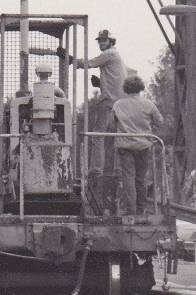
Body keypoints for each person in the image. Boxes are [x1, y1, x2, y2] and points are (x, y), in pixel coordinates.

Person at [69, 29, 128, 176]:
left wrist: (69, 59)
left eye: (104, 40)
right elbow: (115, 80)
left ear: (110, 42)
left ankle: (96, 170)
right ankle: (119, 170)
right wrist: (101, 83)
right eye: (100, 41)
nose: (101, 43)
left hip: (109, 100)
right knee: (119, 135)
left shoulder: (108, 54)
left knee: (97, 135)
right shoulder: (115, 55)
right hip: (120, 101)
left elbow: (88, 63)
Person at [112, 75, 163, 216]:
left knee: (128, 177)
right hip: (143, 146)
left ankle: (131, 210)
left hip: (125, 146)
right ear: (140, 88)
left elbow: (113, 123)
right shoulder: (148, 104)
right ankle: (141, 210)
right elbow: (160, 121)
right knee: (140, 179)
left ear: (126, 88)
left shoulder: (118, 104)